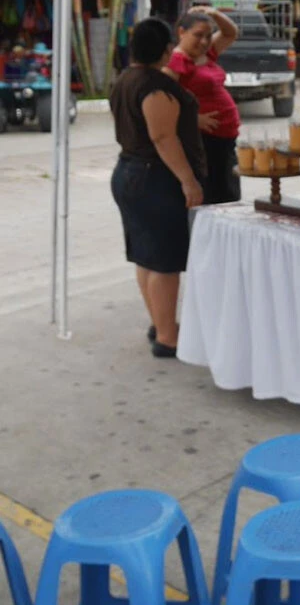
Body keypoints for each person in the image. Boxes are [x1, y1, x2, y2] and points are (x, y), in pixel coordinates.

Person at [109, 18, 206, 359]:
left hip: (131, 173)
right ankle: (168, 337)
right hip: (154, 178)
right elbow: (163, 137)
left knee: (147, 257)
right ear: (164, 49)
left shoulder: (125, 79)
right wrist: (188, 180)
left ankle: (160, 323)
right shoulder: (153, 86)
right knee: (164, 260)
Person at [165, 6, 241, 204]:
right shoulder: (177, 61)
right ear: (181, 32)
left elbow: (230, 33)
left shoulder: (205, 54)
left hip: (224, 142)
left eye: (208, 36)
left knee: (229, 198)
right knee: (216, 199)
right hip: (205, 143)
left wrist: (213, 13)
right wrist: (193, 119)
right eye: (198, 35)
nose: (205, 41)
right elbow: (162, 101)